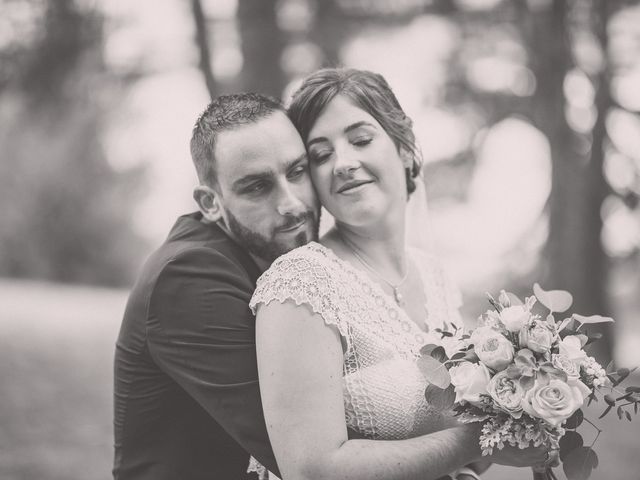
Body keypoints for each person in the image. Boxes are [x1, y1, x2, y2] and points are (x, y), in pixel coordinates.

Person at [250, 68, 553, 480]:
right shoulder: (299, 284)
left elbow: (455, 439)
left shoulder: (434, 276)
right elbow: (312, 470)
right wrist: (482, 438)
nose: (343, 163)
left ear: (405, 150)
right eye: (321, 155)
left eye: (360, 140)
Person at [112, 93, 319, 479]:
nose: (291, 203)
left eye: (297, 171)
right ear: (210, 203)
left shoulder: (286, 261)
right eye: (257, 187)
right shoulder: (189, 276)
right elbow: (305, 449)